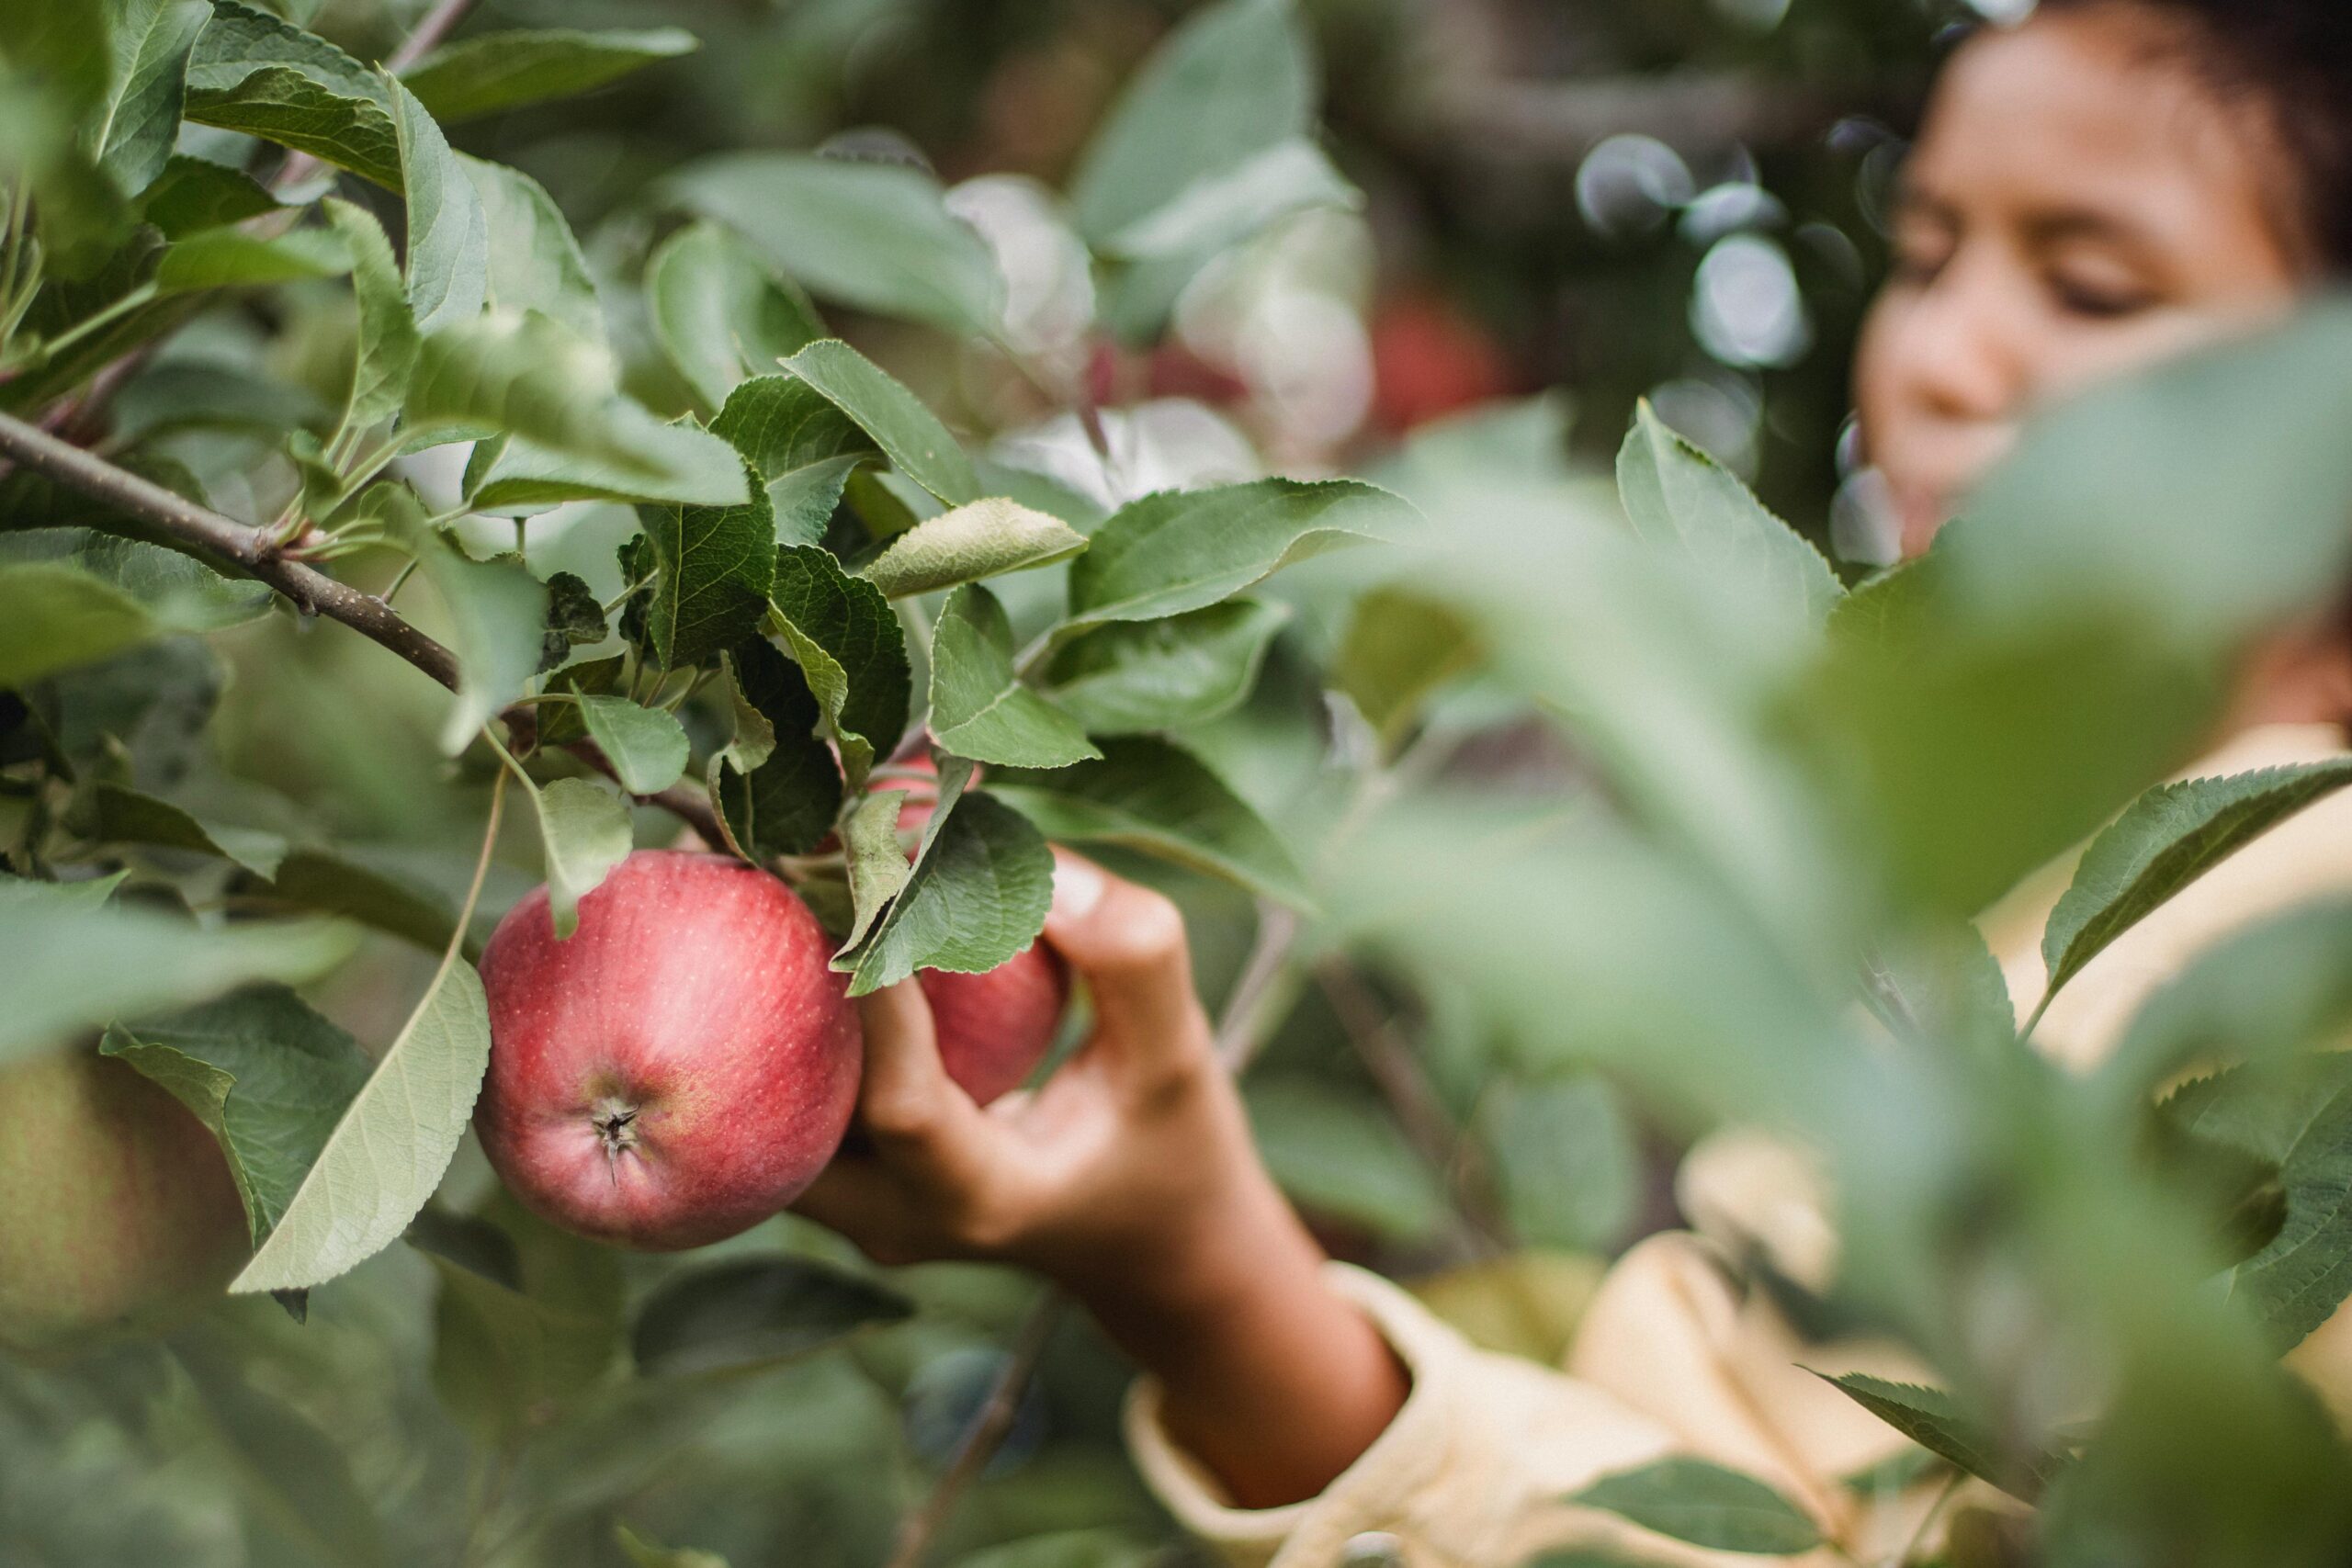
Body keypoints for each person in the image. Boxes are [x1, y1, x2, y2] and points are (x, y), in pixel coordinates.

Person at [795, 2, 2352, 1561]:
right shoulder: (2029, 922)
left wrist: (1200, 1269)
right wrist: (1194, 1267)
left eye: (2094, 288)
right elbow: (1753, 1499)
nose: (1939, 356)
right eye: (1928, 253)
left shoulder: (2292, 905)